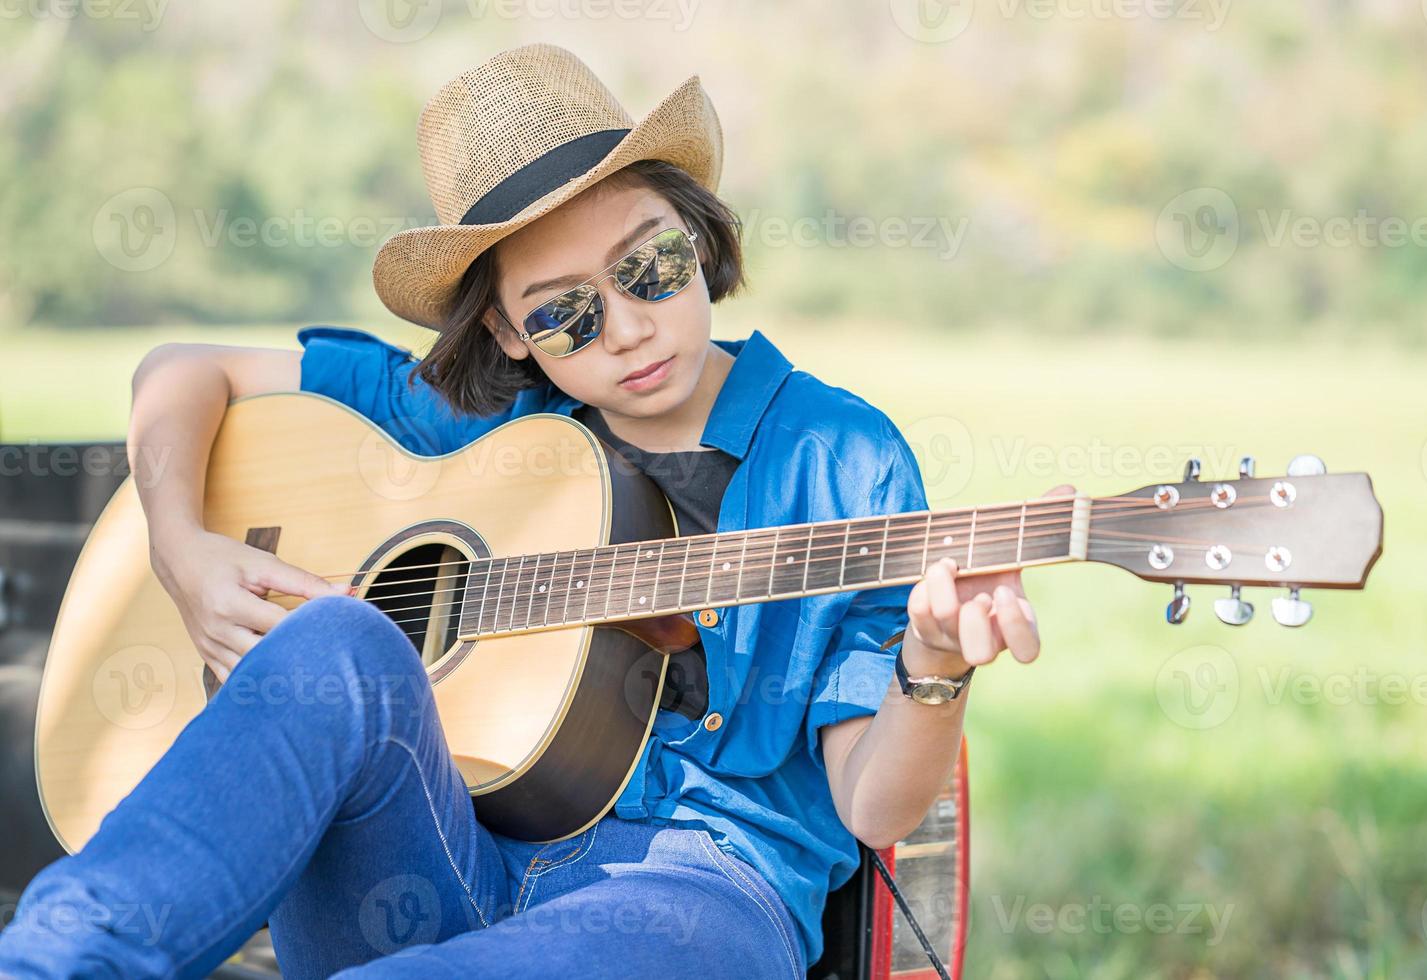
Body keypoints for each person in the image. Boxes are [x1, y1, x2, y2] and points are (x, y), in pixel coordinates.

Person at [0, 44, 1056, 979]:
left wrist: (934, 664)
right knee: (337, 632)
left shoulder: (840, 455)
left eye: (651, 266)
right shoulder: (488, 422)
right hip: (437, 854)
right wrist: (183, 551)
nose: (630, 328)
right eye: (566, 312)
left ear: (697, 235)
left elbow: (874, 807)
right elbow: (183, 369)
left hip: (700, 891)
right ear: (507, 333)